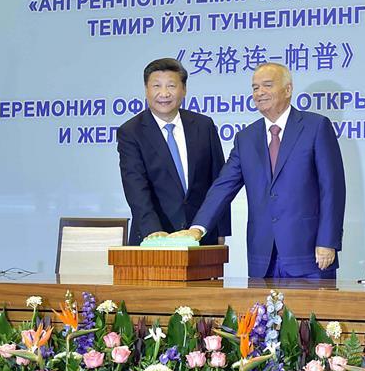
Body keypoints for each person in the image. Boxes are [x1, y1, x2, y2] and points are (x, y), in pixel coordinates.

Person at [167, 63, 346, 278]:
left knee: (310, 312)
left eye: (267, 85)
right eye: (254, 88)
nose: (259, 93)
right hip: (262, 257)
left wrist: (327, 241)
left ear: (288, 89)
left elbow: (332, 189)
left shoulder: (316, 127)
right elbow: (223, 187)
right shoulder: (246, 138)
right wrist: (198, 228)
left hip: (309, 254)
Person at [117, 58, 230, 246]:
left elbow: (218, 181)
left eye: (171, 86)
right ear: (146, 90)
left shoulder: (203, 125)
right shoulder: (131, 132)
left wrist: (221, 229)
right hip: (153, 238)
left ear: (183, 90)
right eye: (156, 86)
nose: (164, 93)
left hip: (201, 236)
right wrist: (153, 232)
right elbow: (136, 188)